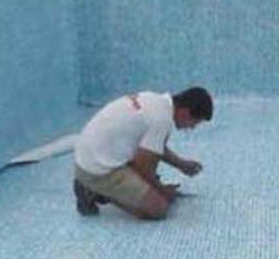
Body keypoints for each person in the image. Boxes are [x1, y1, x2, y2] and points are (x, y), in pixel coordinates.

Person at [73, 87, 213, 220]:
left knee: (152, 184)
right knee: (158, 208)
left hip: (88, 157)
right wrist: (163, 191)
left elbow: (153, 147)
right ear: (185, 112)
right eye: (194, 122)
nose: (192, 128)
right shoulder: (162, 120)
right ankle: (94, 191)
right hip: (97, 170)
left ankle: (97, 185)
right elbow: (142, 167)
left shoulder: (155, 101)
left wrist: (181, 164)